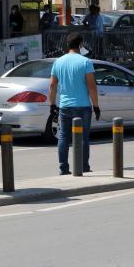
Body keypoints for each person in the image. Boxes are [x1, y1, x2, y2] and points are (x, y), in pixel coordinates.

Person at [49, 32, 101, 175]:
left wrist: (52, 104)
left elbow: (52, 86)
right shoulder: (85, 62)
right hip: (83, 106)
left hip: (65, 106)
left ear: (67, 44)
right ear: (80, 45)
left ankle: (63, 168)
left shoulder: (58, 62)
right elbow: (92, 86)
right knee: (84, 138)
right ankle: (84, 166)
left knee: (64, 137)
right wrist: (96, 106)